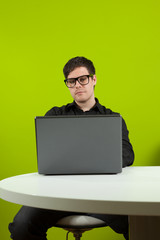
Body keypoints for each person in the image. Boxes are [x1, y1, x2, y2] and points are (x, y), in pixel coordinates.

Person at [9, 56, 134, 240]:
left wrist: (81, 157)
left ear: (94, 80)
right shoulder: (54, 116)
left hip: (105, 195)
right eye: (71, 81)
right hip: (59, 195)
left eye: (82, 79)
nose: (77, 85)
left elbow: (127, 155)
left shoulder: (112, 118)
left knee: (142, 221)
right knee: (21, 225)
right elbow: (47, 153)